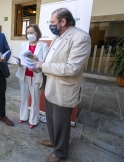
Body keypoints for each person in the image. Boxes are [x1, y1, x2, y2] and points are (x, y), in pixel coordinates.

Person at [35, 8, 91, 162]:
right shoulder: (57, 37)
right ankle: (54, 140)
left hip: (63, 88)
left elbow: (72, 68)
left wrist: (43, 66)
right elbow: (52, 59)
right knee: (51, 118)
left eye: (53, 22)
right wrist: (38, 63)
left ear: (63, 22)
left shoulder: (80, 37)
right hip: (50, 84)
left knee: (61, 122)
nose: (50, 25)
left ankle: (60, 152)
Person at [15, 24, 48, 128]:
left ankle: (34, 120)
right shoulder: (23, 44)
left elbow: (46, 62)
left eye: (31, 33)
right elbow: (19, 58)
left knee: (35, 98)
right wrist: (19, 62)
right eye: (28, 33)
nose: (29, 35)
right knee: (24, 97)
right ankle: (23, 116)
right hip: (24, 73)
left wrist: (37, 58)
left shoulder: (43, 46)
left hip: (36, 74)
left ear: (37, 33)